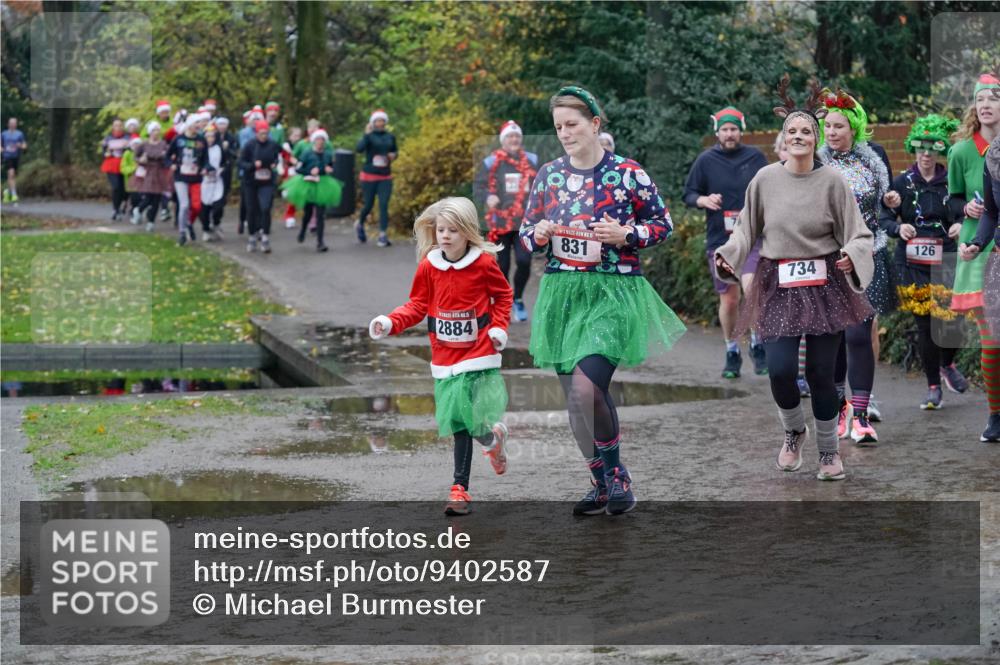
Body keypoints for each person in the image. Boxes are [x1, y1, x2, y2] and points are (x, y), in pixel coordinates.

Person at [520, 86, 686, 515]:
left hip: (614, 291)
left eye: (572, 124)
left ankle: (617, 476)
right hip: (561, 295)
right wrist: (536, 236)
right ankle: (598, 480)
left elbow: (663, 224)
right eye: (558, 127)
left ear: (595, 124)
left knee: (586, 387)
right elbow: (525, 232)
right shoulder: (549, 176)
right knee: (573, 399)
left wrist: (628, 234)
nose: (565, 134)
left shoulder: (629, 174)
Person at [715, 76, 875, 481]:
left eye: (807, 131)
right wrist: (727, 258)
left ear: (815, 138)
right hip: (778, 282)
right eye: (793, 131)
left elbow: (859, 234)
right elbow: (745, 231)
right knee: (781, 369)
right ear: (783, 139)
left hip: (825, 285)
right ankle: (793, 432)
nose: (799, 136)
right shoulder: (765, 180)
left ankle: (827, 451)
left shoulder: (833, 182)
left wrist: (851, 257)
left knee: (822, 373)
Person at [368, 197, 512, 515]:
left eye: (453, 231)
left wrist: (499, 328)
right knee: (460, 418)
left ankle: (459, 489)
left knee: (460, 419)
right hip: (444, 355)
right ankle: (492, 440)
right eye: (441, 230)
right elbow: (418, 305)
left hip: (478, 352)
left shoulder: (484, 264)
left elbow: (502, 296)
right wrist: (390, 322)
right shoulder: (429, 266)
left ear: (467, 233)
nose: (445, 236)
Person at [816, 89, 895, 444]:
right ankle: (840, 408)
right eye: (827, 126)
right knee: (834, 336)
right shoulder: (815, 161)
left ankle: (861, 415)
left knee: (861, 332)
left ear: (854, 128)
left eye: (839, 126)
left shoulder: (874, 157)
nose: (831, 132)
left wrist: (894, 201)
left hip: (868, 252)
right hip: (827, 258)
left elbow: (888, 208)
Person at [880, 114, 969, 409]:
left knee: (953, 319)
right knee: (925, 323)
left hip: (947, 258)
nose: (926, 154)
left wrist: (960, 224)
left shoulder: (952, 182)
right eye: (921, 148)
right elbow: (883, 218)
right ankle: (933, 387)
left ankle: (947, 365)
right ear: (913, 149)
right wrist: (897, 227)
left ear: (940, 150)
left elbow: (965, 210)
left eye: (932, 148)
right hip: (912, 262)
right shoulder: (902, 183)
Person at [684, 107, 770, 378]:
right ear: (717, 132)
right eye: (725, 130)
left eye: (734, 129)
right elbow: (689, 193)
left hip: (753, 237)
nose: (729, 134)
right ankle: (732, 349)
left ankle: (758, 344)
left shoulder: (755, 157)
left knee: (752, 289)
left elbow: (770, 189)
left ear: (740, 131)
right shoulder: (705, 160)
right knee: (730, 300)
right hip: (721, 241)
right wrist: (704, 200)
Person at [950, 72, 1000, 442]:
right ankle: (995, 415)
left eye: (993, 98)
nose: (985, 105)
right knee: (991, 338)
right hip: (982, 250)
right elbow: (951, 199)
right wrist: (964, 216)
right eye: (980, 99)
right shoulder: (966, 151)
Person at [474, 120, 538, 321]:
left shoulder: (532, 160)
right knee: (501, 266)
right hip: (499, 223)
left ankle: (517, 298)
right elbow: (478, 186)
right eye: (510, 136)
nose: (514, 140)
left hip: (524, 222)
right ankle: (503, 302)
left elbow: (541, 184)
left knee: (524, 261)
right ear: (503, 141)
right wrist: (488, 197)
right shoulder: (491, 162)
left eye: (517, 136)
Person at [960, 134, 1000, 432]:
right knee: (993, 344)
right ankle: (996, 414)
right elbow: (991, 212)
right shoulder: (994, 156)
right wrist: (976, 242)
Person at [281, 129, 343, 252]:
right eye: (318, 140)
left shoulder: (327, 154)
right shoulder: (307, 153)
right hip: (308, 184)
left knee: (320, 214)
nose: (320, 142)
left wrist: (329, 169)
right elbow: (298, 169)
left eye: (322, 140)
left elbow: (331, 166)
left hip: (322, 184)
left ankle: (320, 242)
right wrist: (309, 171)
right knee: (308, 212)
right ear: (314, 141)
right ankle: (303, 230)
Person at [355, 109, 398, 247]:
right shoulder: (369, 136)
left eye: (382, 121)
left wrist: (393, 155)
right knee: (368, 205)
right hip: (369, 176)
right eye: (377, 121)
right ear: (373, 123)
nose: (380, 123)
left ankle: (383, 235)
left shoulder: (390, 136)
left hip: (385, 175)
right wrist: (366, 134)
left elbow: (395, 150)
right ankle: (360, 223)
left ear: (385, 122)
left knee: (384, 204)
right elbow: (359, 149)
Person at [238, 119, 281, 253]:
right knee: (251, 210)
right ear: (256, 133)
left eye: (266, 133)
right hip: (250, 182)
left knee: (265, 207)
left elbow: (277, 157)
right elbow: (240, 162)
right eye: (261, 133)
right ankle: (252, 237)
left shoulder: (273, 144)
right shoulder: (250, 145)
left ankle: (265, 238)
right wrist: (252, 166)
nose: (264, 136)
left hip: (266, 182)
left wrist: (274, 163)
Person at [166, 116, 208, 245]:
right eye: (196, 123)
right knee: (184, 205)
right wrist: (171, 164)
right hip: (181, 176)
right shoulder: (179, 139)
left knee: (197, 206)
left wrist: (205, 168)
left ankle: (189, 222)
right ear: (189, 124)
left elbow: (206, 158)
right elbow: (167, 155)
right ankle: (182, 233)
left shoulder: (201, 140)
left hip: (196, 177)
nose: (199, 125)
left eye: (199, 124)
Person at [132, 122, 173, 232]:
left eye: (157, 130)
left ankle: (151, 222)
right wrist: (140, 160)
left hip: (159, 172)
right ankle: (139, 209)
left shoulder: (164, 144)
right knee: (148, 196)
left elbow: (168, 157)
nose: (156, 132)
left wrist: (168, 158)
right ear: (150, 132)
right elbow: (135, 156)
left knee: (157, 199)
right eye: (154, 130)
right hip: (148, 172)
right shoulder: (144, 144)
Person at [199, 123, 228, 241]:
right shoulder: (200, 149)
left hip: (217, 181)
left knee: (218, 206)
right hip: (204, 182)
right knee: (204, 208)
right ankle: (206, 229)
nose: (210, 139)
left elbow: (225, 163)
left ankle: (216, 223)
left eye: (212, 136)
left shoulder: (219, 149)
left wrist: (221, 170)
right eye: (207, 136)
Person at [100, 118, 130, 221]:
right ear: (113, 127)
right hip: (111, 165)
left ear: (123, 126)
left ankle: (123, 204)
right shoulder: (108, 138)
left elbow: (133, 150)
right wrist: (106, 153)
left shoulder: (127, 137)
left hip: (125, 165)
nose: (118, 127)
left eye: (120, 125)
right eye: (116, 125)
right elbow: (103, 152)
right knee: (116, 187)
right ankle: (115, 209)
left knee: (124, 188)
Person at [2, 117, 27, 205]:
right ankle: (13, 194)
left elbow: (24, 145)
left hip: (16, 157)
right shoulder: (4, 134)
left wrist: (20, 146)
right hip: (7, 156)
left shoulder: (19, 134)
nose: (12, 125)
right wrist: (2, 150)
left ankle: (6, 192)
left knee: (11, 176)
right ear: (8, 124)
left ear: (16, 124)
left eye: (14, 123)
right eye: (11, 123)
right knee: (11, 173)